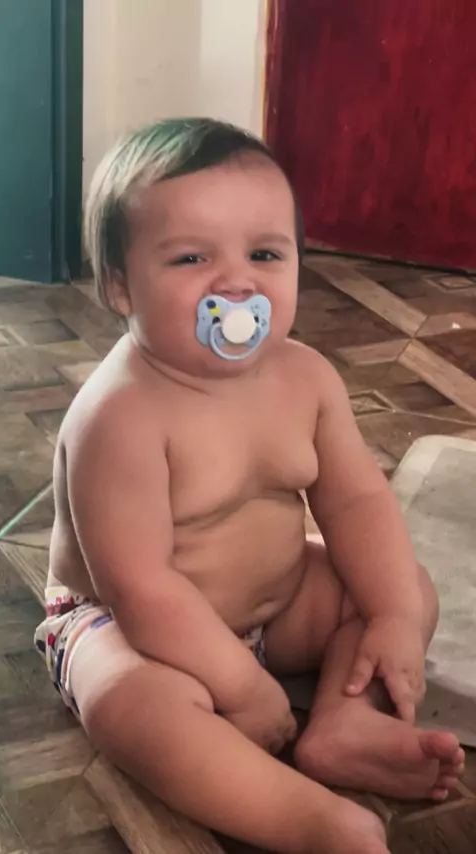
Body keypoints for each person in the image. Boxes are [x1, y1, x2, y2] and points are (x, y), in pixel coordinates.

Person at [35, 118, 464, 854]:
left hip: (279, 602)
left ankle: (344, 723)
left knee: (402, 587)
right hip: (129, 627)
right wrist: (242, 687)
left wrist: (392, 614)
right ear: (119, 285)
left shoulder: (307, 379)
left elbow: (356, 502)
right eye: (191, 257)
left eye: (265, 253)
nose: (237, 283)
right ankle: (305, 820)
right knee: (133, 705)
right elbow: (141, 589)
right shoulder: (119, 417)